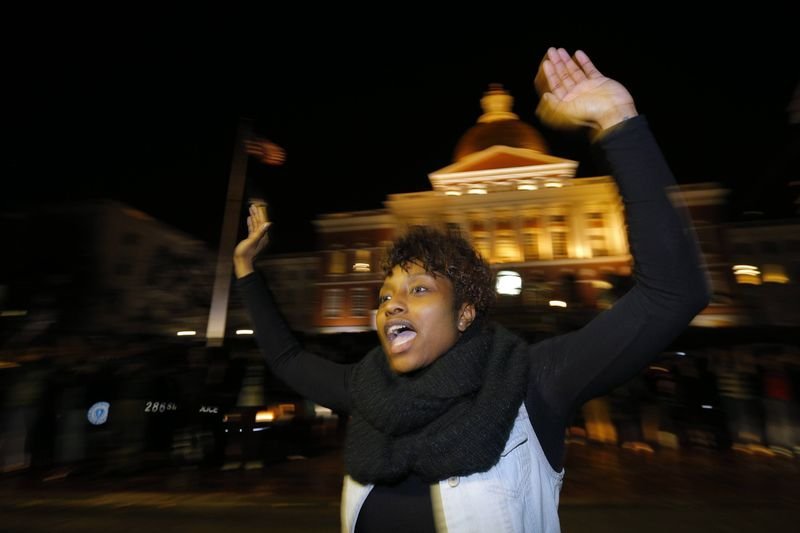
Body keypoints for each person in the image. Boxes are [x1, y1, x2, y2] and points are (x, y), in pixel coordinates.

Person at [233, 47, 711, 533]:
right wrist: (245, 269)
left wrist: (618, 120)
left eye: (419, 289)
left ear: (465, 313)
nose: (391, 303)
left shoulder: (529, 384)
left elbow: (673, 293)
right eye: (384, 296)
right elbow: (288, 359)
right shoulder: (370, 392)